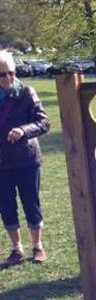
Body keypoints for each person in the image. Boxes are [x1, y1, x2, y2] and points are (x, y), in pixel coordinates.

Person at [0, 50, 50, 267]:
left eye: (11, 73)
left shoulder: (27, 93)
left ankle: (37, 245)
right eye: (2, 75)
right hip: (2, 163)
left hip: (27, 160)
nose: (8, 78)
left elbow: (44, 122)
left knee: (31, 203)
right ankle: (16, 248)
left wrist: (23, 130)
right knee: (6, 206)